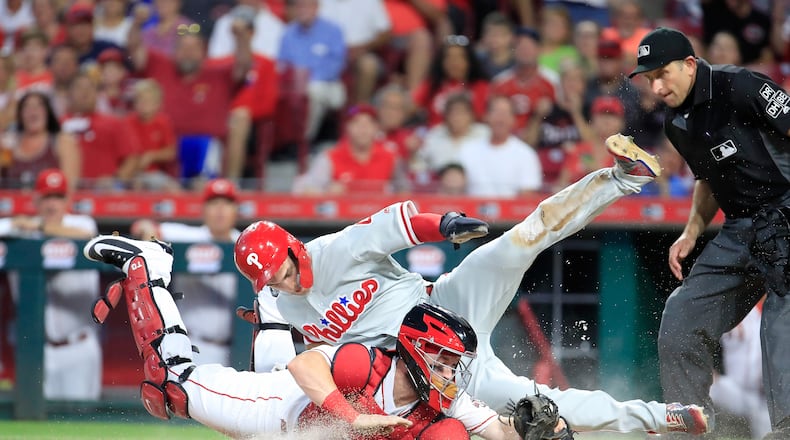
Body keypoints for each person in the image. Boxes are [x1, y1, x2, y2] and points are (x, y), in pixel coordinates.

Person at [234, 133, 712, 434]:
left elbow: (399, 226)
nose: (287, 283)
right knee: (540, 405)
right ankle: (664, 417)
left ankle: (622, 178)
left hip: (444, 304)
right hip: (433, 368)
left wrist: (443, 224)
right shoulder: (284, 305)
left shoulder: (336, 248)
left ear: (295, 247)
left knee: (519, 242)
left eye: (286, 269)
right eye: (272, 280)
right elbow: (303, 362)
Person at [82, 234, 569, 439]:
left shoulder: (449, 406)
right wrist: (352, 416)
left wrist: (541, 434)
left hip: (311, 415)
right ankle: (149, 265)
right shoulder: (369, 362)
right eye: (442, 360)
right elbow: (303, 366)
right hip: (281, 411)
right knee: (170, 385)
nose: (450, 373)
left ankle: (271, 305)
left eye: (452, 362)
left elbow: (500, 433)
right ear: (416, 353)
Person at [627, 26, 790, 438]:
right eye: (650, 79)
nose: (657, 85)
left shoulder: (742, 86)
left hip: (786, 210)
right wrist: (690, 231)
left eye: (663, 73)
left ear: (689, 64)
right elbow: (708, 180)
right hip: (739, 230)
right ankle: (690, 424)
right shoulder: (676, 123)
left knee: (782, 314)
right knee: (682, 316)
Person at [0, 168, 100, 400]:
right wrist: (16, 225)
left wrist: (39, 227)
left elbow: (87, 236)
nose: (52, 204)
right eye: (47, 197)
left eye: (58, 197)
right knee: (36, 426)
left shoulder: (83, 224)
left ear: (67, 200)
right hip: (36, 350)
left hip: (79, 348)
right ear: (36, 199)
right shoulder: (20, 229)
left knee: (83, 427)